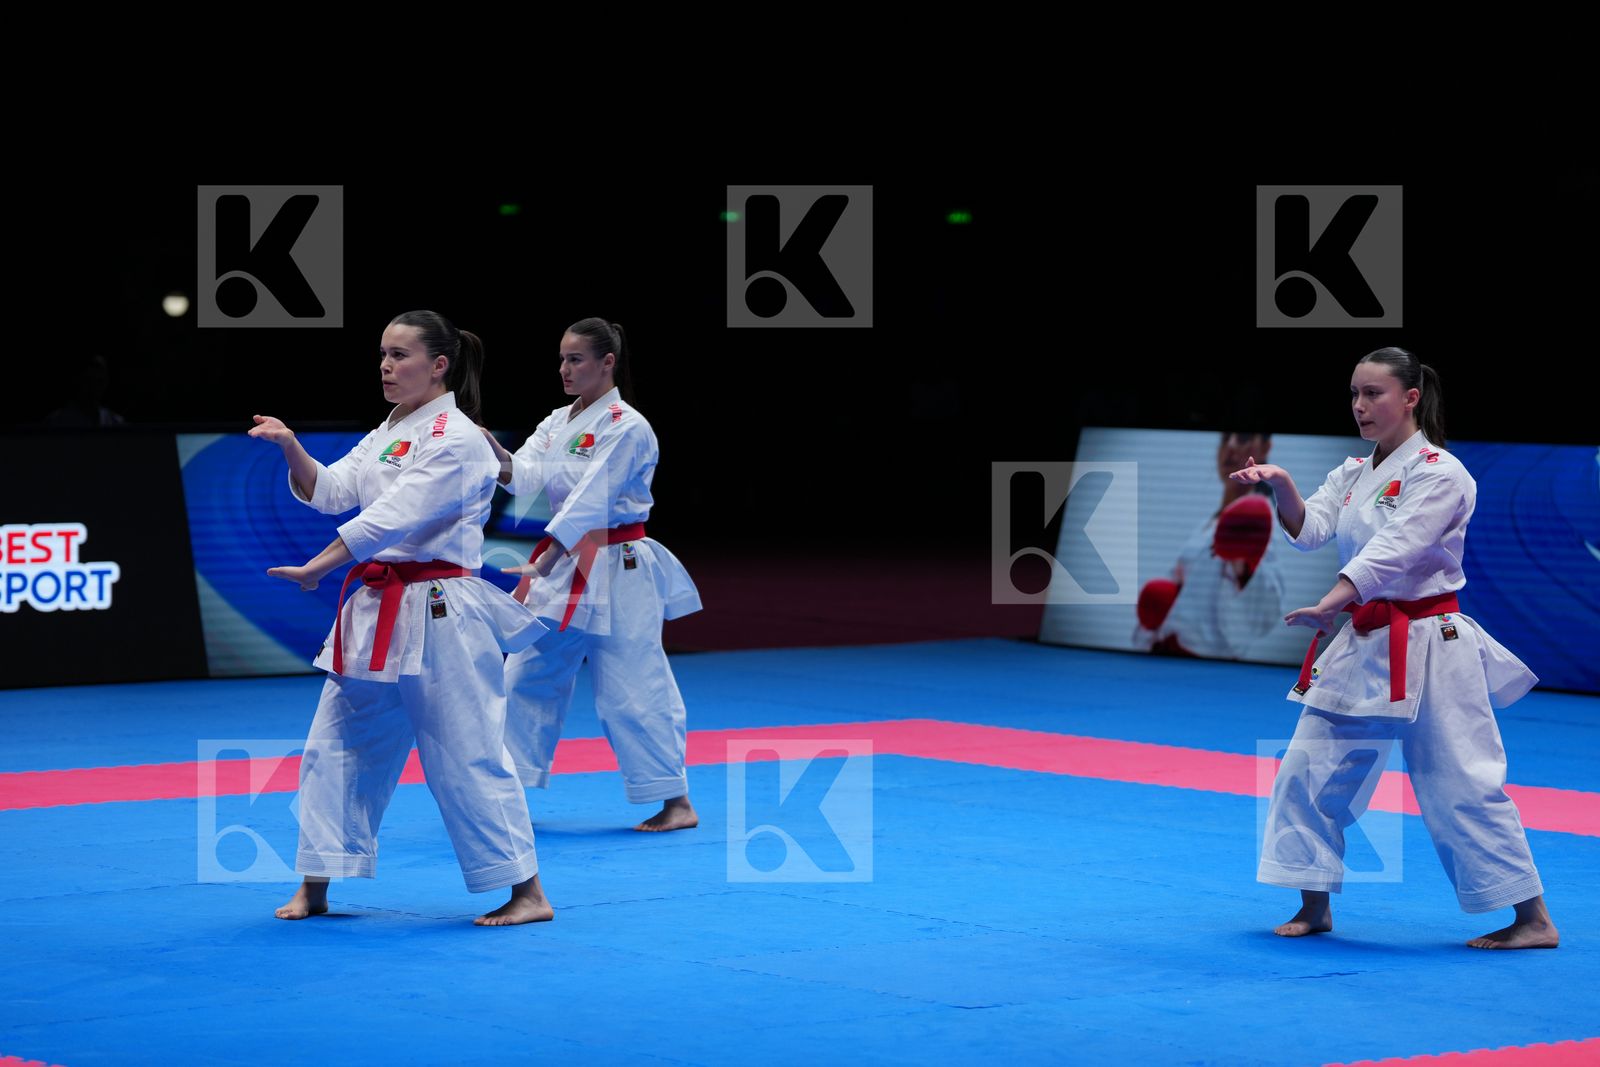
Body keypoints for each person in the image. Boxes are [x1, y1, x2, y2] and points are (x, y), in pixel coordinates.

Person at [1232, 347, 1557, 949]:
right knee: (1305, 769)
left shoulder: (1443, 472)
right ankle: (1313, 904)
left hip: (1433, 645)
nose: (1360, 406)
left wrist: (1331, 602)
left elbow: (1398, 550)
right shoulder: (1353, 471)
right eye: (1354, 394)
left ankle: (1532, 919)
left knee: (1461, 783)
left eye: (1373, 393)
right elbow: (1310, 532)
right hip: (1365, 641)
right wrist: (1281, 485)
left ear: (1410, 398)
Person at [250, 310, 554, 926]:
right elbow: (334, 490)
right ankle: (317, 881)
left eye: (401, 355)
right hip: (374, 611)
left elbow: (391, 519)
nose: (387, 367)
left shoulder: (459, 437)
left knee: (465, 752)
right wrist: (291, 448)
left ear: (439, 365)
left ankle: (526, 891)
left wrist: (317, 568)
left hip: (440, 611)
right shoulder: (392, 427)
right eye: (383, 355)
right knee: (335, 745)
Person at [483, 318, 703, 832]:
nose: (564, 369)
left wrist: (541, 560)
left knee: (632, 684)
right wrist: (493, 453)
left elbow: (590, 501)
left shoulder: (628, 426)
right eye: (561, 359)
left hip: (619, 566)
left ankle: (674, 800)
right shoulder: (560, 421)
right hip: (567, 565)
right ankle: (504, 789)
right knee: (525, 672)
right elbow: (527, 476)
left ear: (608, 363)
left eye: (576, 359)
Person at [1135, 431, 1287, 658]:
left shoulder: (1261, 519)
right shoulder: (1206, 525)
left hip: (1206, 662)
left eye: (1244, 438)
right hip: (1164, 649)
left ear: (1265, 448)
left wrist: (1243, 570)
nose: (1231, 447)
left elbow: (1263, 611)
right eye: (1225, 438)